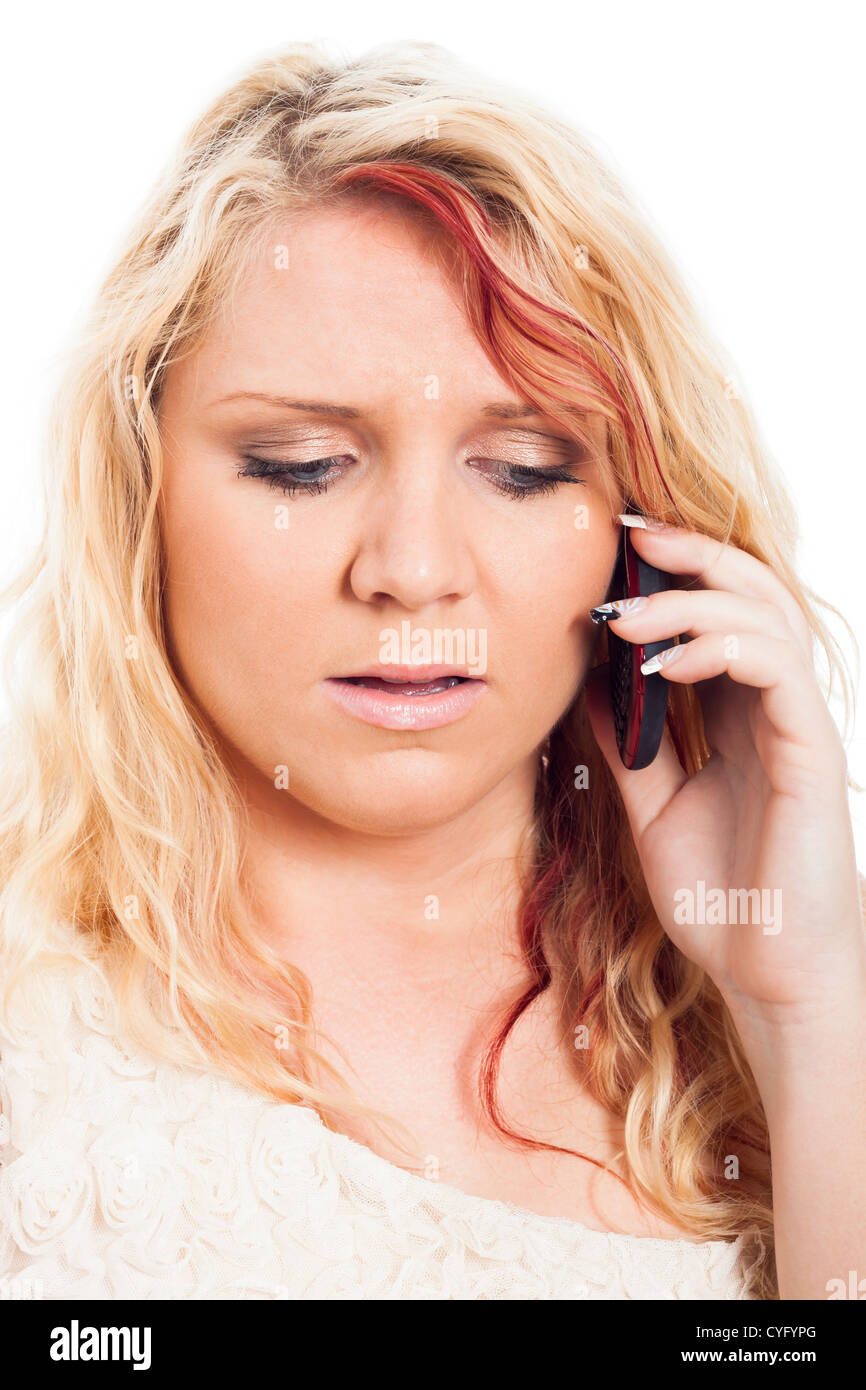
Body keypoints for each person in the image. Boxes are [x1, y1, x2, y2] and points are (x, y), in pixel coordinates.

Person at [0, 40, 863, 1301]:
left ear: (638, 529)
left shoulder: (791, 1010)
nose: (411, 570)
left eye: (521, 471)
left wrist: (806, 1009)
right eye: (299, 464)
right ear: (141, 499)